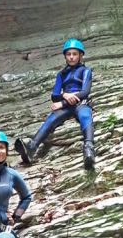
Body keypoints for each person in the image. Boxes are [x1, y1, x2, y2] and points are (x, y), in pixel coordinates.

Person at [15, 38, 95, 169]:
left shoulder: (86, 71)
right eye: (68, 54)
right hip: (67, 105)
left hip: (81, 103)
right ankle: (32, 147)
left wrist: (63, 103)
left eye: (74, 54)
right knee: (52, 118)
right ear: (65, 56)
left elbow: (85, 92)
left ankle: (89, 148)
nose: (71, 57)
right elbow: (54, 95)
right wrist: (65, 95)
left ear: (81, 55)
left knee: (85, 115)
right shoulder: (61, 74)